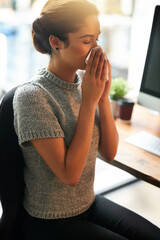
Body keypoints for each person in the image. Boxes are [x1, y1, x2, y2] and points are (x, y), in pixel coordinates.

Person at [13, 0, 160, 239]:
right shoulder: (32, 97)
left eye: (97, 39)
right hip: (50, 221)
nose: (96, 50)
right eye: (86, 41)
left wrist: (102, 98)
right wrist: (90, 102)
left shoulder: (84, 85)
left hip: (87, 204)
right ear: (55, 42)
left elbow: (109, 153)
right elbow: (70, 175)